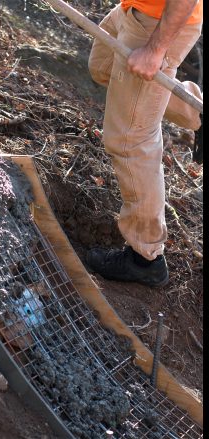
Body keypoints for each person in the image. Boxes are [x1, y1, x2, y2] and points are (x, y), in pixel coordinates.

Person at [85, 0, 203, 287]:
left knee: (130, 140)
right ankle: (197, 110)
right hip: (134, 9)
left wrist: (155, 50)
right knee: (102, 67)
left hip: (157, 24)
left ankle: (146, 257)